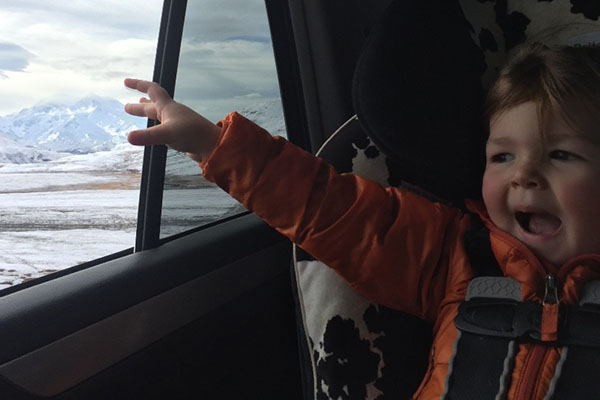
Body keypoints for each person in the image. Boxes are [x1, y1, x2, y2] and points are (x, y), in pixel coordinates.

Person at [124, 44, 600, 399]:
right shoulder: (457, 253)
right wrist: (212, 144)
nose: (524, 176)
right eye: (502, 156)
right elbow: (333, 211)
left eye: (560, 154)